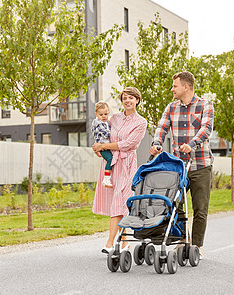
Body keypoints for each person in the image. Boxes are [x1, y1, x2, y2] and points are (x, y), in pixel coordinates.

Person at [149, 71, 214, 259]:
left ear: (186, 86)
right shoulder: (171, 107)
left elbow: (206, 128)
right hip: (179, 166)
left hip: (201, 164)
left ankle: (196, 246)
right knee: (174, 204)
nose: (172, 89)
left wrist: (192, 144)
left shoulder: (205, 105)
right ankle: (182, 241)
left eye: (175, 86)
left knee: (200, 209)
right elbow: (161, 127)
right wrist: (157, 143)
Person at [92, 87, 147, 254]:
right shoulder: (114, 117)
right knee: (120, 204)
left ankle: (109, 243)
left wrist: (104, 146)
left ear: (137, 100)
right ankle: (124, 243)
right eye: (124, 98)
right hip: (112, 164)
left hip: (127, 164)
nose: (127, 100)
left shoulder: (141, 122)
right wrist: (98, 148)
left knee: (120, 200)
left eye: (131, 97)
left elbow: (128, 144)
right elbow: (103, 134)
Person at [91, 101, 113, 188]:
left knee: (111, 159)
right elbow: (107, 134)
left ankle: (108, 178)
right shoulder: (98, 124)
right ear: (96, 114)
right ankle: (106, 178)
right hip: (103, 147)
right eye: (101, 115)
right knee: (110, 159)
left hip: (105, 146)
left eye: (105, 114)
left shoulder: (106, 123)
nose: (104, 116)